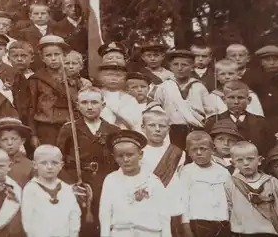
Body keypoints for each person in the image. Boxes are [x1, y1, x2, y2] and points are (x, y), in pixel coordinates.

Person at [56, 87, 120, 237]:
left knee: (105, 222)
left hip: (106, 183)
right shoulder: (69, 129)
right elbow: (59, 161)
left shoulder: (113, 130)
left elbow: (118, 162)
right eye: (84, 102)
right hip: (79, 184)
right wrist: (70, 185)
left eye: (94, 102)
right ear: (78, 105)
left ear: (103, 106)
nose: (89, 107)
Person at [99, 129, 171, 237]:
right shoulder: (111, 180)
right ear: (114, 157)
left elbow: (164, 216)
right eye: (120, 156)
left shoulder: (153, 181)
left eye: (130, 155)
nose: (125, 159)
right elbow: (105, 214)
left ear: (140, 154)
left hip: (149, 233)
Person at [225, 141, 278, 237]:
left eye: (250, 159)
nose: (246, 163)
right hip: (243, 233)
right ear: (233, 163)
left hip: (270, 232)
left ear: (259, 160)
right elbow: (228, 207)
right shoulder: (231, 183)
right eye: (240, 160)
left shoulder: (271, 182)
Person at [26, 35, 79, 146]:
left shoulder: (75, 78)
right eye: (49, 55)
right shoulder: (36, 79)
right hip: (46, 128)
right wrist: (33, 134)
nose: (53, 58)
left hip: (70, 126)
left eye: (57, 54)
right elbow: (31, 108)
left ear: (64, 56)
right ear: (42, 58)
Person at [140, 110, 185, 236]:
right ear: (143, 128)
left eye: (162, 126)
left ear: (168, 129)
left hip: (172, 206)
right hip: (147, 206)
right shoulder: (138, 153)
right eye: (152, 125)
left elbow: (180, 181)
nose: (157, 129)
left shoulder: (178, 153)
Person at [21, 145, 82, 237]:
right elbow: (27, 220)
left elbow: (74, 215)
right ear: (34, 165)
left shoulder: (66, 189)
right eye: (44, 163)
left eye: (54, 163)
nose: (49, 167)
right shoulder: (31, 189)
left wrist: (73, 233)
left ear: (61, 165)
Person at [180, 131, 231, 237]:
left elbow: (230, 199)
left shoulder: (222, 172)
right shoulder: (186, 171)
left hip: (222, 223)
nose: (199, 152)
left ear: (212, 149)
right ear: (188, 152)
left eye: (203, 148)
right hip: (198, 223)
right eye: (194, 149)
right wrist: (185, 226)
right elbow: (182, 201)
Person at [204, 80, 275, 157]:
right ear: (224, 99)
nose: (236, 102)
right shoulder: (213, 121)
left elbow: (269, 149)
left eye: (240, 98)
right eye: (231, 97)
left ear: (249, 100)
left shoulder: (261, 123)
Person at [0, 117, 34, 187]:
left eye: (14, 139)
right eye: (4, 139)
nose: (9, 143)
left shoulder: (30, 166)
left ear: (22, 141)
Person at [98, 62, 143, 132]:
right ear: (101, 77)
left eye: (118, 75)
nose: (113, 78)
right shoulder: (96, 96)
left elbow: (137, 125)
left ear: (124, 78)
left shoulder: (130, 100)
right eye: (109, 75)